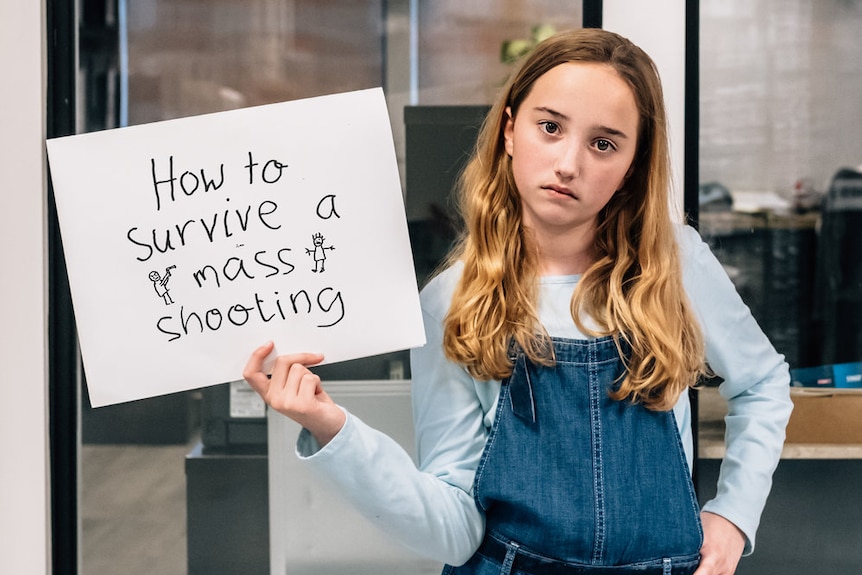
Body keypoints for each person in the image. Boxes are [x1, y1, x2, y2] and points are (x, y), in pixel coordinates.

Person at [243, 28, 792, 575]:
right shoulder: (453, 300)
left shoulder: (676, 264)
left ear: (632, 166)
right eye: (549, 127)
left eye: (604, 144)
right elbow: (456, 530)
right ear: (509, 130)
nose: (569, 163)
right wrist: (331, 428)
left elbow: (764, 384)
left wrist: (734, 515)